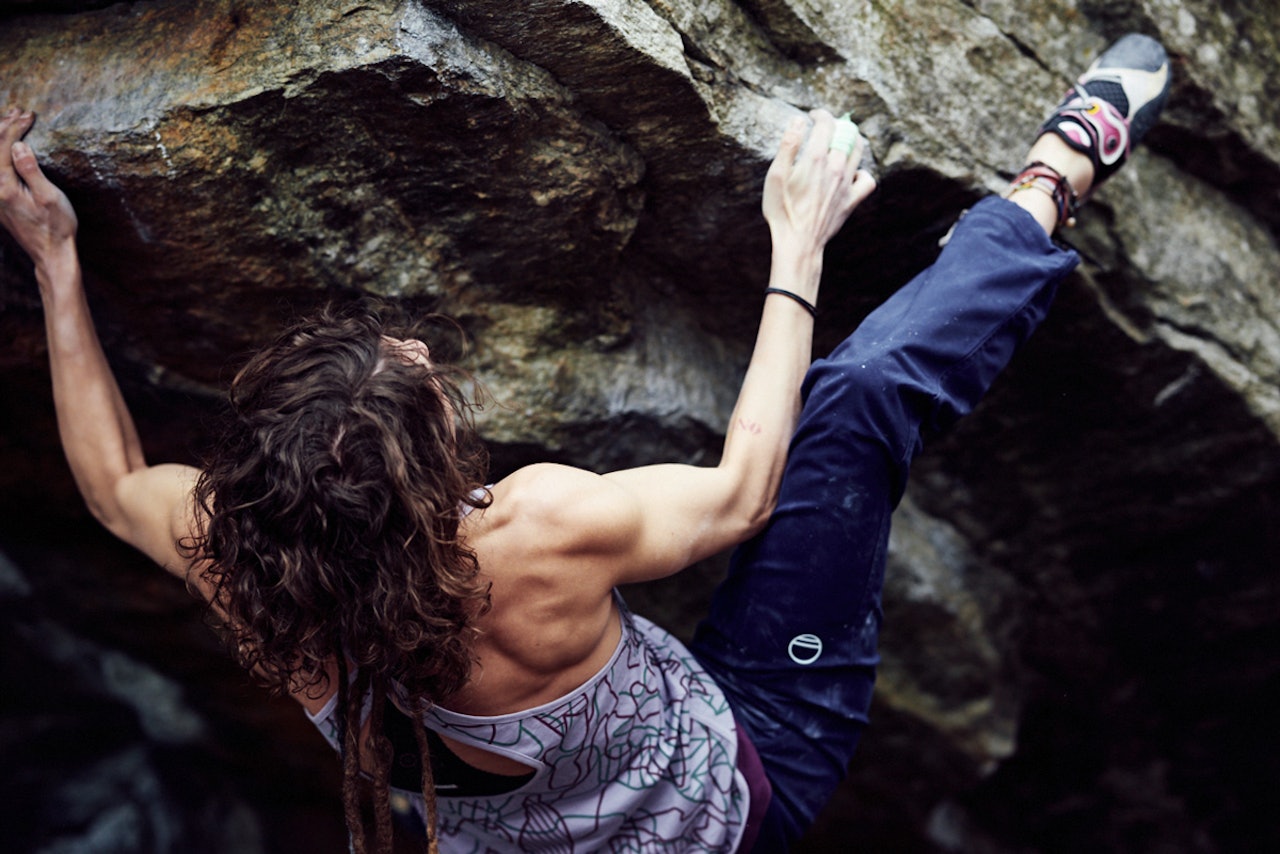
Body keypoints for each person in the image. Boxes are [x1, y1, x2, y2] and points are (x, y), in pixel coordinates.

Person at [0, 31, 1170, 854]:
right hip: (753, 774)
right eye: (423, 392)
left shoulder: (248, 572)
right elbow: (741, 496)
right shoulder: (529, 536)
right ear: (421, 489)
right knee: (856, 396)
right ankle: (1057, 174)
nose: (418, 357)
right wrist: (795, 247)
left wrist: (55, 260)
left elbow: (110, 487)